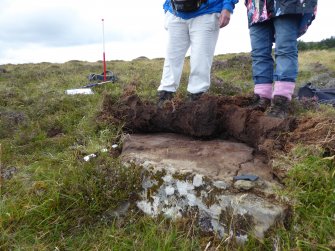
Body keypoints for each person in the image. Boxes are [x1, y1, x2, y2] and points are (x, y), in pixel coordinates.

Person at [157, 0, 239, 107]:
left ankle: (196, 100)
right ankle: (165, 96)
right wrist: (167, 6)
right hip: (175, 12)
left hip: (207, 11)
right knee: (172, 58)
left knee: (200, 60)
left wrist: (227, 6)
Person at [247, 0, 318, 118]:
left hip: (287, 4)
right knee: (259, 53)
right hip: (257, 6)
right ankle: (262, 98)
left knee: (285, 48)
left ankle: (282, 100)